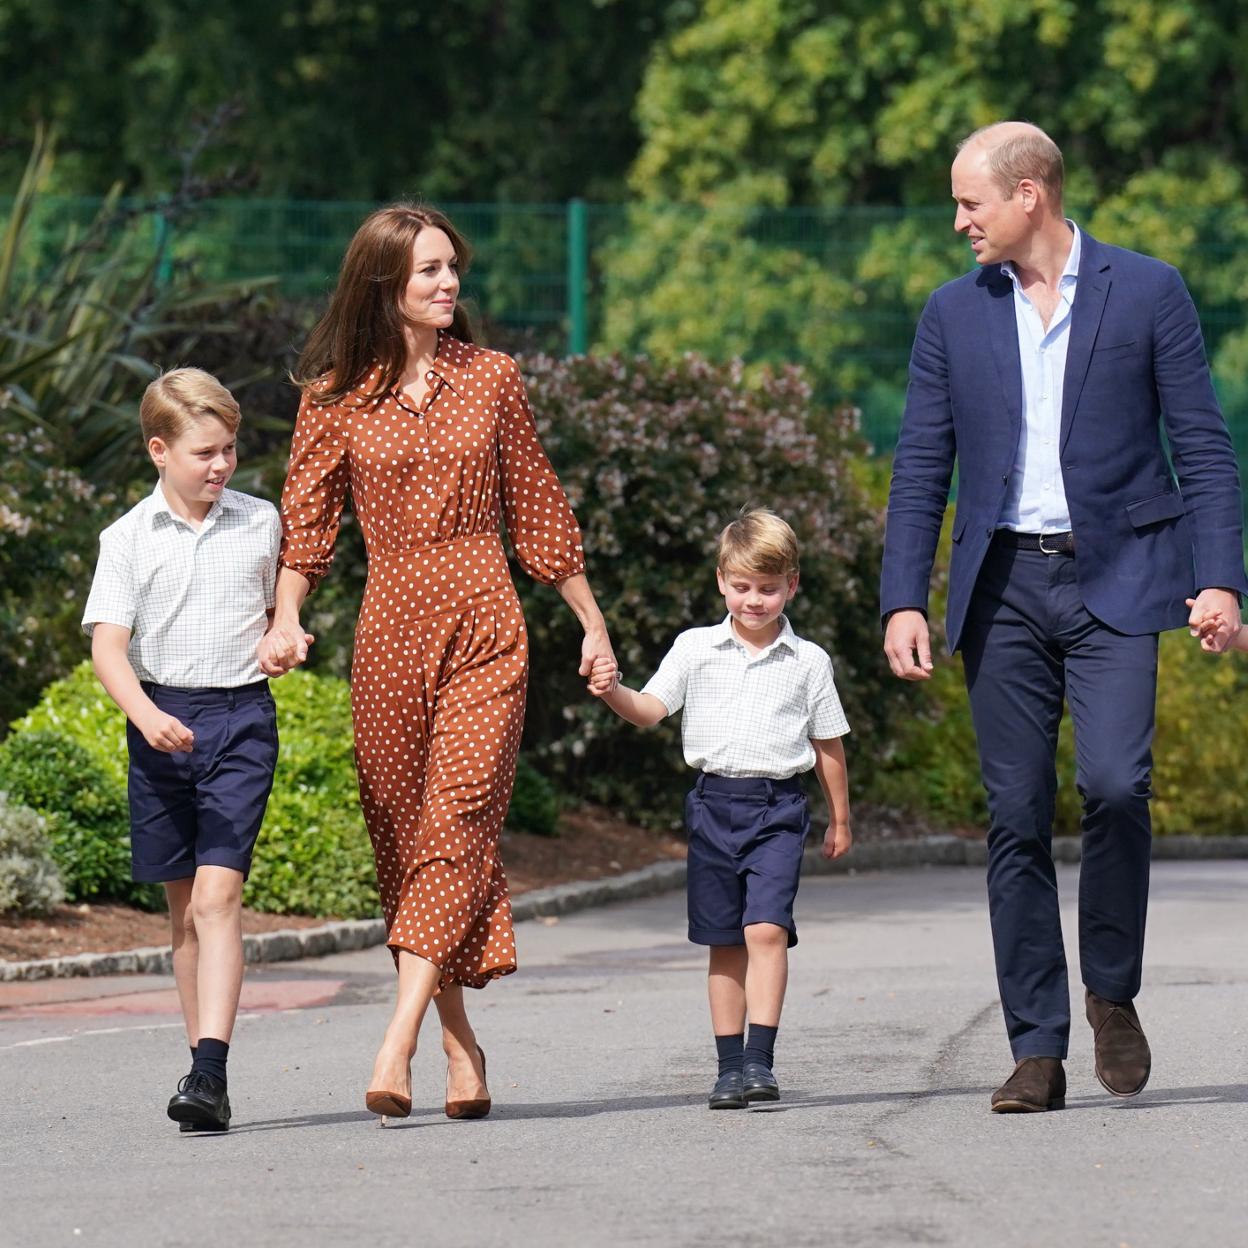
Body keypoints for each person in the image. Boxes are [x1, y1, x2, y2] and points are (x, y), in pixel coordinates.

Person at [881, 122, 1247, 1113]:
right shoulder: (952, 314)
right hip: (1002, 588)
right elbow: (922, 466)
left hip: (1122, 578)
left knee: (1119, 787)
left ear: (1029, 195)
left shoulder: (1149, 290)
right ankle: (1036, 1044)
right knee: (1014, 816)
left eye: (971, 203)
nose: (959, 222)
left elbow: (1204, 449)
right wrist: (905, 596)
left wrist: (1221, 581)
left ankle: (1112, 995)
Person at [259, 203, 616, 1123]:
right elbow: (306, 528)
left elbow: (537, 506)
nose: (449, 283)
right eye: (429, 271)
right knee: (406, 841)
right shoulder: (334, 394)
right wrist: (287, 621)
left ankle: (397, 1038)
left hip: (485, 618)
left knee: (456, 820)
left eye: (452, 268)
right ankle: (463, 1044)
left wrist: (590, 622)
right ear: (386, 283)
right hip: (388, 633)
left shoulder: (491, 378)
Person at [592, 508, 851, 1109]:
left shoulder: (808, 661)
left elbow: (828, 743)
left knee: (765, 929)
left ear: (791, 586)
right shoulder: (694, 648)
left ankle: (761, 1061)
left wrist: (840, 817)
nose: (754, 600)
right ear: (721, 582)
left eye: (767, 588)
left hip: (778, 807)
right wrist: (611, 692)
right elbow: (650, 709)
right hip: (712, 806)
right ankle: (729, 1069)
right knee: (724, 942)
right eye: (742, 587)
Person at [83, 368, 282, 1133]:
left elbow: (277, 610)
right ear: (159, 451)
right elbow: (109, 649)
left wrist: (283, 635)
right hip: (160, 722)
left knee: (216, 899)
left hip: (239, 722)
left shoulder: (260, 522)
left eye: (230, 448)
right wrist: (144, 713)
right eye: (205, 452)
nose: (221, 465)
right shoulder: (127, 538)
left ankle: (208, 1071)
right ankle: (207, 1075)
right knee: (182, 919)